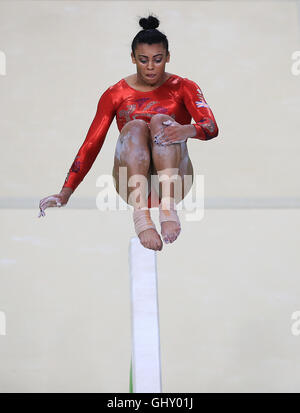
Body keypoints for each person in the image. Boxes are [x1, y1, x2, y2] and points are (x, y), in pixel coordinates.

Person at [38, 14, 219, 252]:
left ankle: (167, 207)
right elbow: (92, 144)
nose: (151, 67)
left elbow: (211, 127)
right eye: (144, 60)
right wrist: (65, 192)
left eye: (158, 59)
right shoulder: (115, 94)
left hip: (175, 180)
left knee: (161, 121)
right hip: (132, 184)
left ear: (168, 57)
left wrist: (186, 129)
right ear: (133, 58)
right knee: (134, 126)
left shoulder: (184, 87)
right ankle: (141, 217)